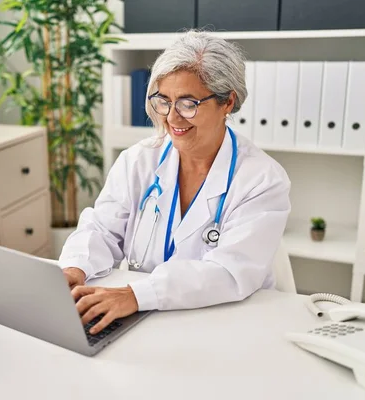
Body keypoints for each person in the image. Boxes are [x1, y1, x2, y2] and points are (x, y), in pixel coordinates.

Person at [58, 30, 291, 334]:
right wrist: (75, 268)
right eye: (163, 101)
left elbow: (228, 273)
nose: (172, 118)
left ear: (228, 103)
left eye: (188, 103)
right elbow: (102, 229)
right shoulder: (138, 161)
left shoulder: (262, 180)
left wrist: (134, 295)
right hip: (149, 320)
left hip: (228, 325)